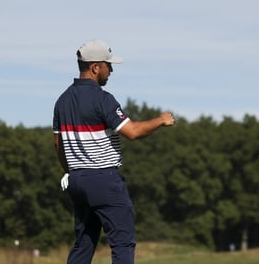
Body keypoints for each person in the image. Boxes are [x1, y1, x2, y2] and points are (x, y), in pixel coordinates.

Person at [53, 39, 175, 264]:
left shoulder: (62, 101)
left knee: (84, 243)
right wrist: (160, 120)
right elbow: (133, 132)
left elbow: (58, 145)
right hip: (104, 181)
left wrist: (70, 171)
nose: (112, 70)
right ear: (95, 67)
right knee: (122, 243)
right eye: (109, 65)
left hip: (77, 180)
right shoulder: (102, 99)